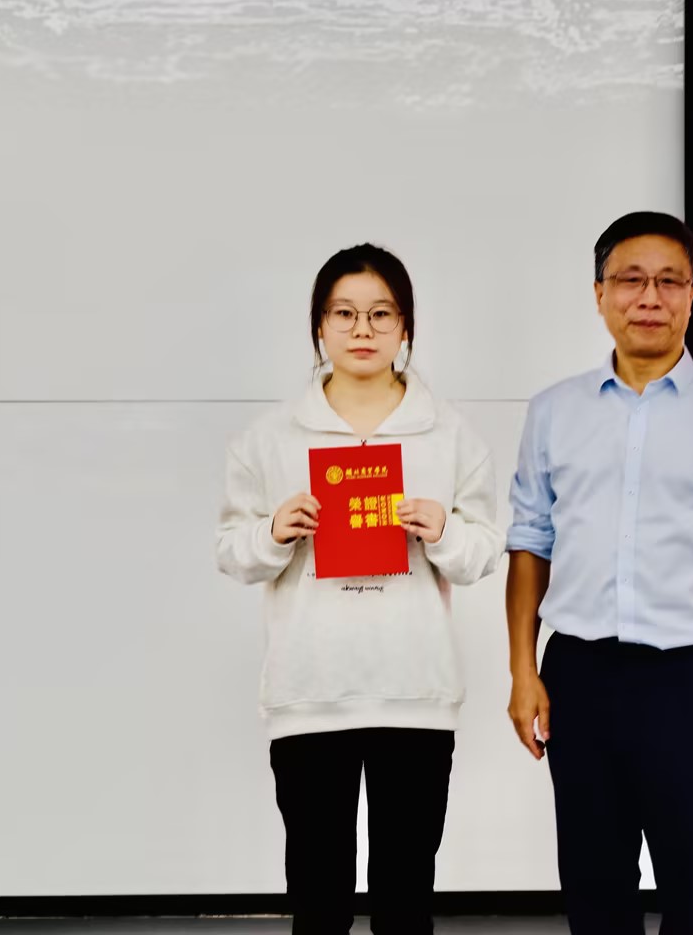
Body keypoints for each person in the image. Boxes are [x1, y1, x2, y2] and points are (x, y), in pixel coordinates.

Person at [505, 211, 693, 934]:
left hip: (691, 679)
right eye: (630, 280)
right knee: (593, 883)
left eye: (669, 281)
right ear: (599, 293)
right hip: (579, 674)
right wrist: (523, 671)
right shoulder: (553, 411)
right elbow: (530, 542)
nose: (650, 297)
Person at [216, 243, 504, 935]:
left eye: (381, 313)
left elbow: (482, 552)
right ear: (319, 325)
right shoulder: (271, 437)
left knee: (406, 898)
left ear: (406, 326)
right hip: (310, 692)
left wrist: (442, 531)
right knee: (318, 899)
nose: (363, 329)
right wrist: (273, 531)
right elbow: (231, 551)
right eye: (344, 313)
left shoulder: (449, 434)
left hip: (415, 691)